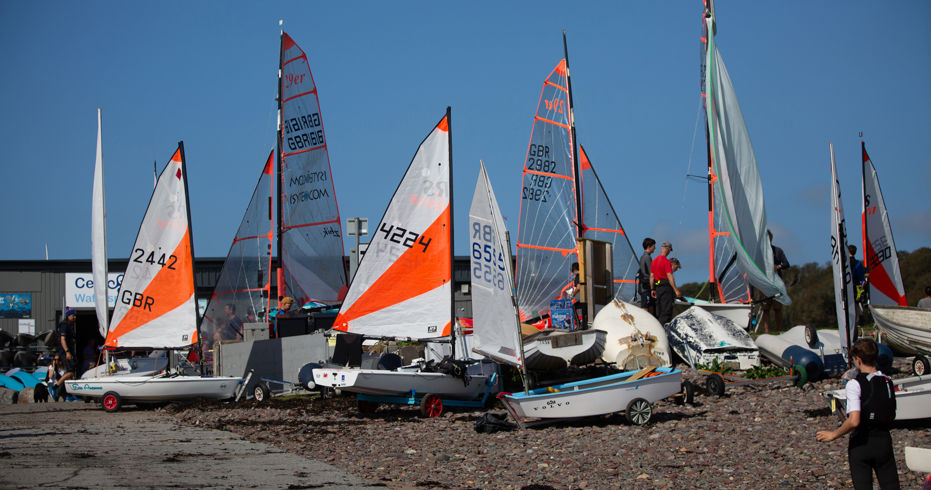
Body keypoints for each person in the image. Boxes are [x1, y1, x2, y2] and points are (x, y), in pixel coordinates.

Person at [816, 338, 900, 489]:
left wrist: (834, 434)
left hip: (861, 444)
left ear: (858, 360)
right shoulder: (888, 381)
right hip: (884, 442)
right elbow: (891, 414)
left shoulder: (854, 384)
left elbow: (854, 421)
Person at [759, 230, 790, 333]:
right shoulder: (760, 252)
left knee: (777, 308)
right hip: (764, 283)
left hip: (777, 283)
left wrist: (778, 266)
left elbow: (786, 264)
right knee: (765, 308)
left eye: (769, 238)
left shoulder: (778, 250)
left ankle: (780, 330)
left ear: (771, 238)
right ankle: (767, 330)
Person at [650, 241, 681, 325]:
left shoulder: (654, 261)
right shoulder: (666, 261)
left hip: (657, 287)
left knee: (659, 312)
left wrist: (652, 289)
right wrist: (676, 290)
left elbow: (652, 277)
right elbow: (669, 276)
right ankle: (664, 332)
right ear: (669, 249)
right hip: (666, 287)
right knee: (666, 312)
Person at [638, 238, 656, 315]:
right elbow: (650, 273)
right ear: (649, 246)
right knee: (646, 306)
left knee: (648, 305)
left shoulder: (643, 257)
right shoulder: (647, 257)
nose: (655, 248)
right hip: (646, 286)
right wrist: (653, 287)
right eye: (653, 246)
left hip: (644, 285)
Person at [57, 308, 78, 376]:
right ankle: (56, 386)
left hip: (70, 351)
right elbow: (62, 339)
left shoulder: (70, 326)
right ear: (68, 316)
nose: (74, 317)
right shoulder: (64, 325)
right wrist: (67, 352)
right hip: (64, 352)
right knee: (70, 371)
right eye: (73, 315)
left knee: (73, 369)